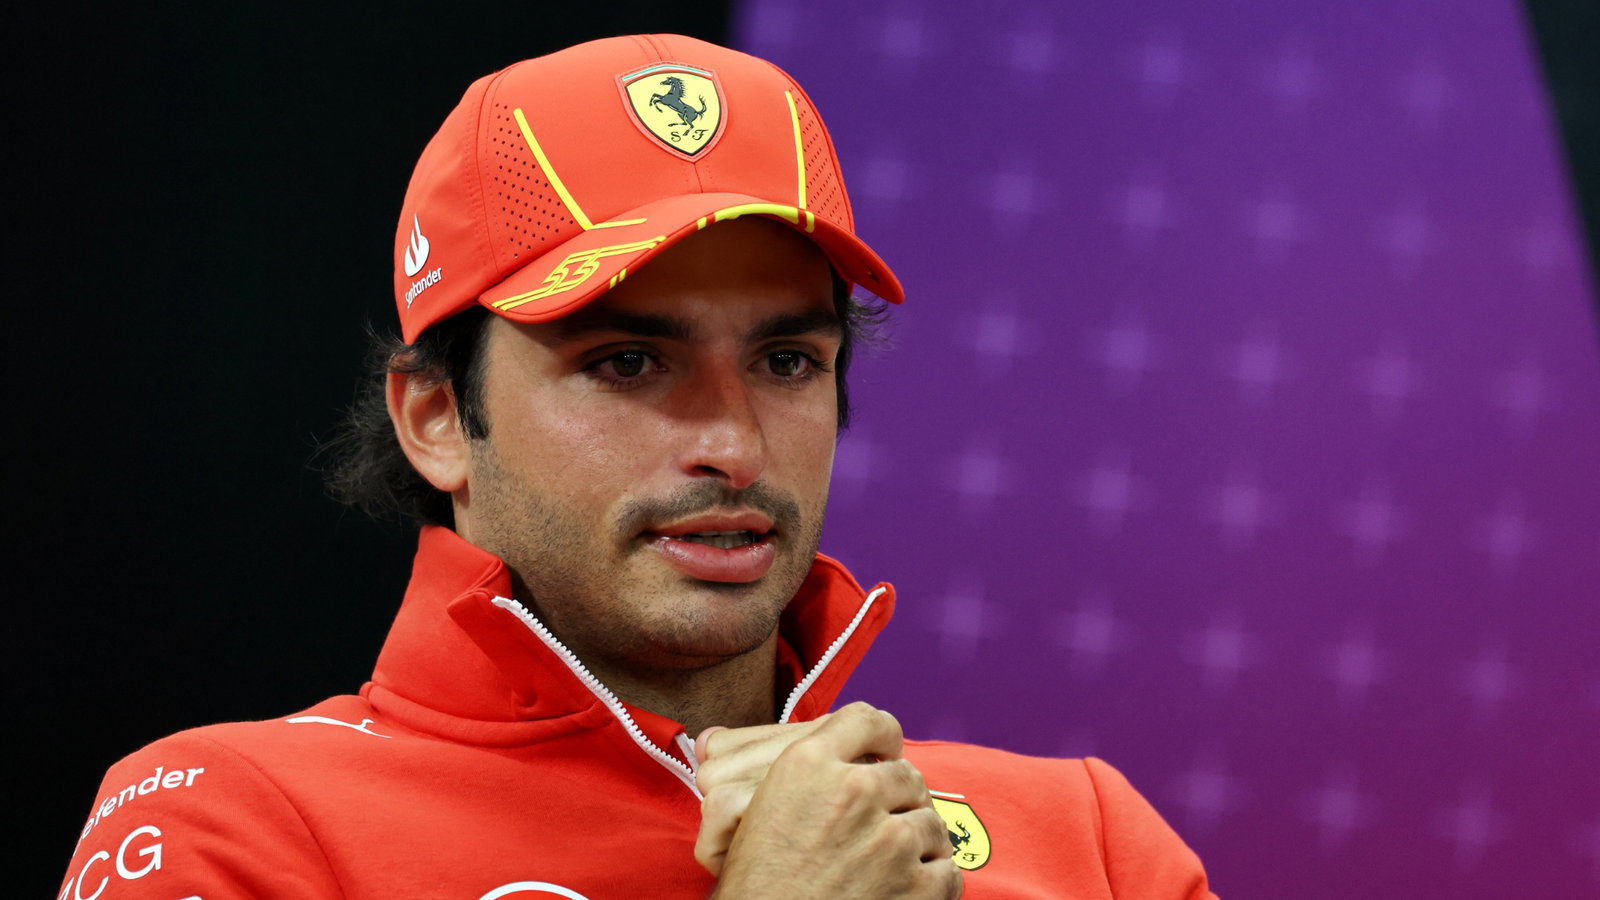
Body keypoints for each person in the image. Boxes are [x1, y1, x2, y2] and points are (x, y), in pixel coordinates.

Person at [59, 34, 1216, 899]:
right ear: (436, 418)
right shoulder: (230, 821)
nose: (733, 445)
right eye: (625, 362)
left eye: (785, 361)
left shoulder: (1088, 841)